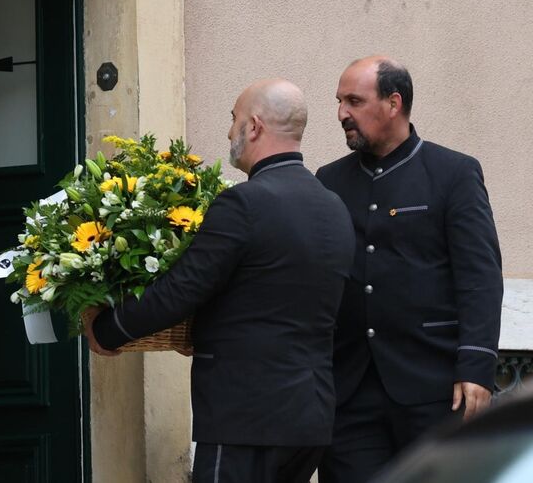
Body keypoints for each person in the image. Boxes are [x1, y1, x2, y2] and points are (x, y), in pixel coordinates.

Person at [84, 79, 355, 482]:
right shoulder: (334, 207)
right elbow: (272, 299)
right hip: (309, 419)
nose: (230, 131)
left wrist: (107, 330)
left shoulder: (244, 203)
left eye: (234, 119)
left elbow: (180, 290)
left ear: (255, 127)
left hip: (244, 418)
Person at [316, 56, 503, 483]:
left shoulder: (454, 173)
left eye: (354, 101)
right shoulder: (329, 181)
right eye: (340, 102)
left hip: (434, 386)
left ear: (393, 103)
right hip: (350, 390)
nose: (342, 113)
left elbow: (479, 276)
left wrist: (477, 366)